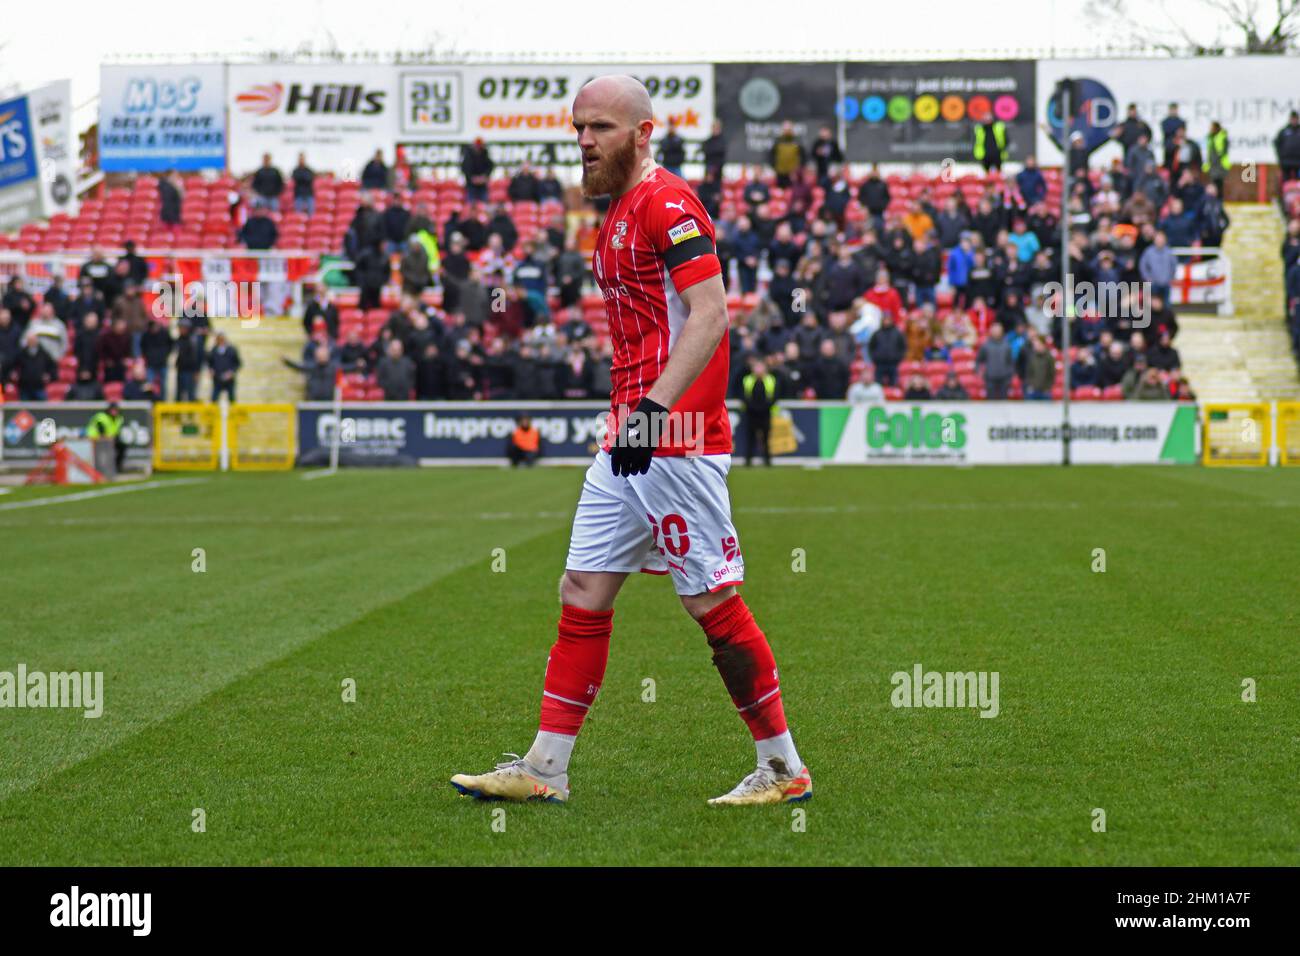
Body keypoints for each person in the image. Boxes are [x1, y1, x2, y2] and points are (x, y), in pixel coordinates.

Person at [451, 75, 810, 807]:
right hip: (632, 438)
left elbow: (709, 317)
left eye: (602, 128)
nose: (585, 141)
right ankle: (546, 769)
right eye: (578, 128)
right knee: (582, 588)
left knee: (712, 602)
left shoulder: (669, 204)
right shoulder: (617, 211)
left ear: (644, 133)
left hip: (673, 438)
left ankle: (782, 768)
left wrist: (650, 413)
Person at [740, 355, 777, 466]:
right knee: (750, 437)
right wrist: (752, 407)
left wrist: (765, 407)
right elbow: (743, 395)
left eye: (761, 367)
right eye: (757, 367)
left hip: (766, 413)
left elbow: (775, 395)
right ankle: (748, 460)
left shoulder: (771, 380)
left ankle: (767, 460)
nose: (759, 370)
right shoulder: (747, 379)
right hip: (751, 413)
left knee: (766, 438)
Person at [86, 401, 127, 473]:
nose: (114, 411)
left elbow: (116, 432)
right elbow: (101, 430)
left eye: (116, 410)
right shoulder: (101, 416)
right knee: (100, 453)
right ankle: (98, 470)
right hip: (95, 439)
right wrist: (108, 439)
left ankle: (117, 467)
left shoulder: (119, 418)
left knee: (122, 446)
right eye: (112, 410)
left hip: (109, 440)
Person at [207, 332, 241, 402]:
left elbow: (237, 363)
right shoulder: (213, 350)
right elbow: (210, 363)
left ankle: (233, 412)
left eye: (222, 339)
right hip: (217, 378)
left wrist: (231, 372)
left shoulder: (232, 350)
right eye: (219, 339)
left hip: (229, 379)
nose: (220, 341)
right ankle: (213, 412)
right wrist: (211, 370)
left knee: (231, 398)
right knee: (214, 399)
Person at [770, 120, 804, 187]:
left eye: (789, 129)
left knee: (792, 193)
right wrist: (775, 167)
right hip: (780, 174)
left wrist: (798, 170)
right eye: (785, 129)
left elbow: (803, 156)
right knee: (780, 194)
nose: (787, 131)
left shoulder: (797, 141)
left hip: (793, 174)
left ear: (792, 129)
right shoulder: (778, 141)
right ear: (782, 130)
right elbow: (771, 155)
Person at [461, 138, 494, 204]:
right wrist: (472, 178)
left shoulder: (485, 154)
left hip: (482, 185)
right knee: (470, 204)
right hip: (471, 185)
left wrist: (484, 177)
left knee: (484, 204)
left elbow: (490, 166)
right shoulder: (468, 156)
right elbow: (465, 169)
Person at [1273, 110, 1300, 184]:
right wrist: (1281, 158)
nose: (1294, 120)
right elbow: (1277, 144)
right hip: (1286, 162)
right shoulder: (1284, 131)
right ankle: (1285, 195)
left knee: (1298, 183)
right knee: (1286, 182)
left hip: (1298, 162)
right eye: (1293, 118)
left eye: (1296, 118)